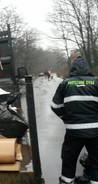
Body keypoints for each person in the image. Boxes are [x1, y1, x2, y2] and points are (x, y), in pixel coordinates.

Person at [51, 50, 98, 184]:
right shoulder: (96, 82)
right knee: (96, 162)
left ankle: (67, 181)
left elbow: (55, 106)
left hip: (73, 132)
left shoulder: (65, 83)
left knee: (69, 161)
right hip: (95, 132)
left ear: (73, 68)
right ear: (88, 68)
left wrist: (67, 117)